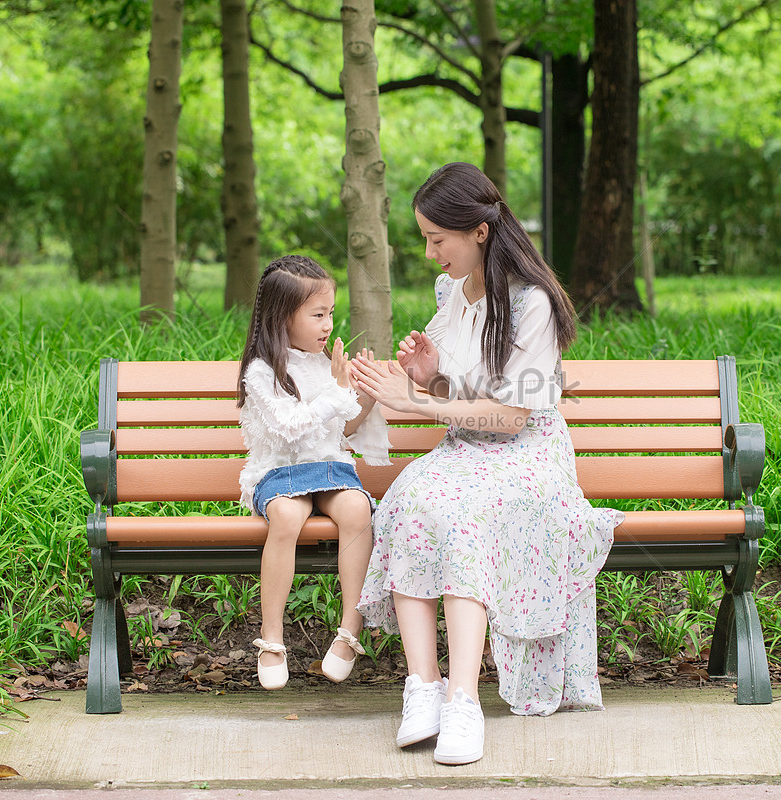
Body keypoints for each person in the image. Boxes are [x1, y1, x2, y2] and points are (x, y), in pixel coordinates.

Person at [352, 162, 623, 766]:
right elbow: (462, 385)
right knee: (413, 500)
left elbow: (512, 416)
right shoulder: (453, 291)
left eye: (436, 239)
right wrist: (431, 372)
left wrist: (418, 401)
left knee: (469, 513)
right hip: (466, 453)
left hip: (527, 459)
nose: (429, 254)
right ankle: (421, 688)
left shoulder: (534, 304)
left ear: (478, 231)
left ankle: (462, 701)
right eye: (424, 238)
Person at [237, 254, 391, 690]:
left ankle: (349, 632)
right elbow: (288, 429)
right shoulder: (262, 371)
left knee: (359, 509)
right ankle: (271, 638)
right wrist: (339, 390)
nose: (328, 325)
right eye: (318, 315)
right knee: (286, 516)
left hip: (328, 470)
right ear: (282, 317)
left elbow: (341, 429)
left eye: (330, 314)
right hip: (281, 472)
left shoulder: (327, 365)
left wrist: (366, 394)